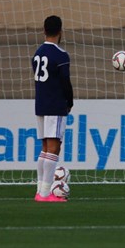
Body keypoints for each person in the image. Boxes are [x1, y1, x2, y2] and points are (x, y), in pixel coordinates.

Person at [32, 15, 73, 202]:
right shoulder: (61, 55)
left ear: (44, 30)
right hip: (55, 105)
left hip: (40, 104)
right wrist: (69, 102)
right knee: (54, 147)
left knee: (44, 148)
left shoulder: (38, 53)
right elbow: (65, 82)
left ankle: (40, 190)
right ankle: (46, 193)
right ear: (60, 31)